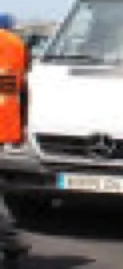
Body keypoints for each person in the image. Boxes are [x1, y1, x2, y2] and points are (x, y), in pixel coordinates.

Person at [0, 14, 31, 266]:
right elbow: (17, 88)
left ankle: (11, 241)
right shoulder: (15, 45)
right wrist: (19, 127)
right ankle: (11, 243)